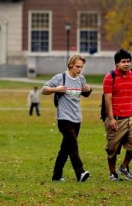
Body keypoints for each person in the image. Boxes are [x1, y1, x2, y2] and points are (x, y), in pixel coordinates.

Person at [42, 54, 92, 183]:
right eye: (77, 66)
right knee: (73, 146)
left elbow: (85, 93)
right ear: (70, 65)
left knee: (65, 149)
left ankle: (57, 176)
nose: (80, 69)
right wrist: (56, 89)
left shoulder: (81, 79)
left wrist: (88, 90)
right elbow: (44, 90)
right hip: (64, 119)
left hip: (77, 119)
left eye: (81, 67)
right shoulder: (61, 77)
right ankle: (80, 173)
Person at [102, 48, 132, 182]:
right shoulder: (110, 77)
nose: (126, 64)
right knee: (112, 148)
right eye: (123, 62)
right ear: (117, 64)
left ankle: (124, 166)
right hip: (116, 118)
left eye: (128, 61)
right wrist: (112, 118)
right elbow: (107, 99)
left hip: (131, 116)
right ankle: (112, 173)